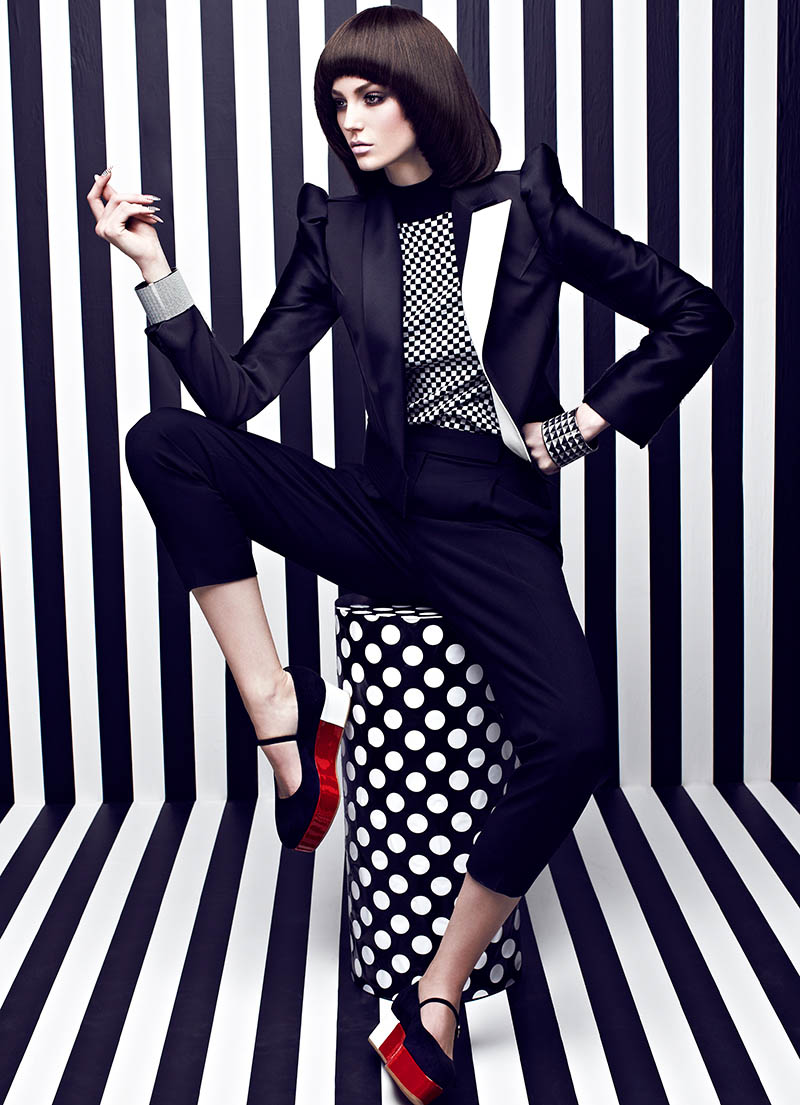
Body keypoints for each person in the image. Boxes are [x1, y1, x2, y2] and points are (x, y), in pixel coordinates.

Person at [86, 7, 734, 1102]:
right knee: (164, 443)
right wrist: (152, 266)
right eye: (336, 102)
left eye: (371, 95)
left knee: (574, 737)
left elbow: (692, 312)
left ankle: (438, 988)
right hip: (384, 516)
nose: (349, 119)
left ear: (423, 94)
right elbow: (238, 394)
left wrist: (581, 425)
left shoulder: (523, 208)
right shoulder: (334, 231)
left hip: (491, 520)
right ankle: (284, 719)